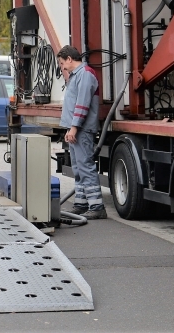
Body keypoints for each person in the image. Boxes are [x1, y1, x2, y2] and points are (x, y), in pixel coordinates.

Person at [57, 45, 106, 220]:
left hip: (82, 129)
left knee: (85, 166)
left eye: (63, 63)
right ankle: (81, 203)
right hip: (76, 129)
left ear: (69, 59)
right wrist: (70, 128)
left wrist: (74, 127)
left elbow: (82, 104)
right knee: (78, 167)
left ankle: (97, 206)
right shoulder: (77, 76)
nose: (62, 67)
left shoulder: (85, 74)